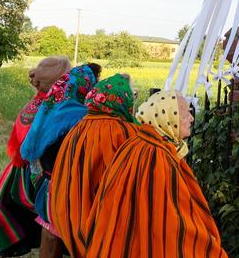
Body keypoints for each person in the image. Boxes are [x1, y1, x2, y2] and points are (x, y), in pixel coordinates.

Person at [83, 89, 228, 258]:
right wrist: (206, 245)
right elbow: (171, 220)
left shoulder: (140, 142)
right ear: (167, 118)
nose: (191, 119)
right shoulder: (158, 157)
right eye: (185, 114)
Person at [48, 73, 142, 258]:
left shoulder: (78, 127)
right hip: (108, 216)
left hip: (74, 210)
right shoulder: (125, 131)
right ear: (123, 100)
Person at [0, 55, 70, 257]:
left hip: (22, 170)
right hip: (42, 178)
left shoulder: (32, 105)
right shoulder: (55, 110)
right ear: (61, 82)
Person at [21, 62, 99, 257]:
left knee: (50, 231)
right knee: (64, 232)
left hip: (46, 185)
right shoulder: (81, 118)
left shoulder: (51, 106)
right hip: (65, 188)